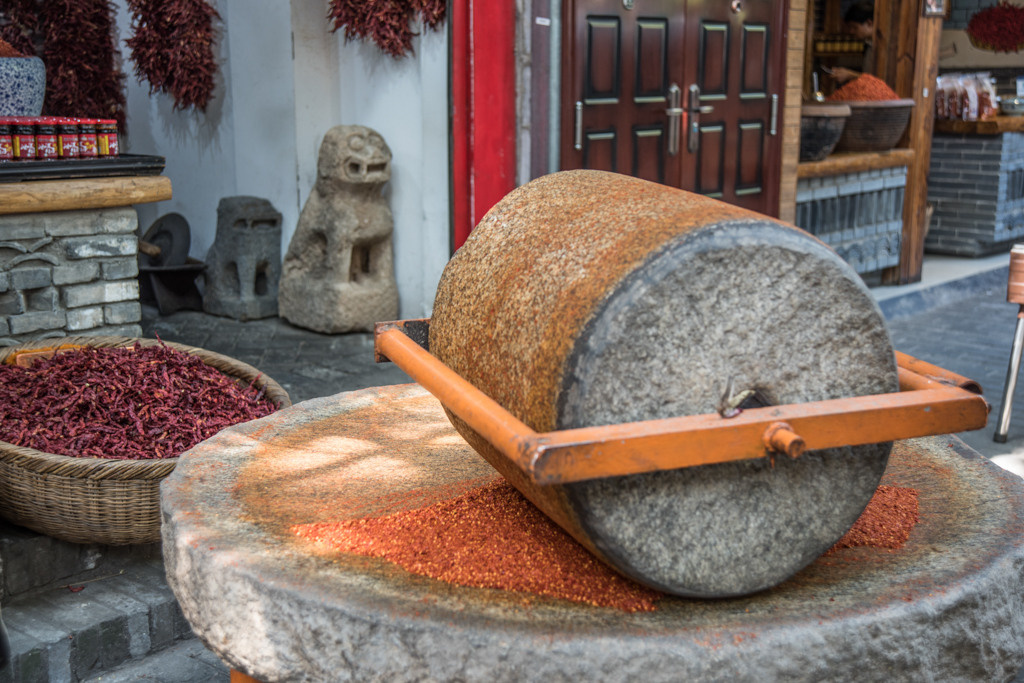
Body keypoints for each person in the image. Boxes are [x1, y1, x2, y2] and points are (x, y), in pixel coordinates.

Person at [832, 1, 875, 84]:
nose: (851, 31)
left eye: (855, 27)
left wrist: (849, 75)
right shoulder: (868, 44)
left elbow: (878, 80)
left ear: (869, 23)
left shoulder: (881, 47)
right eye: (850, 27)